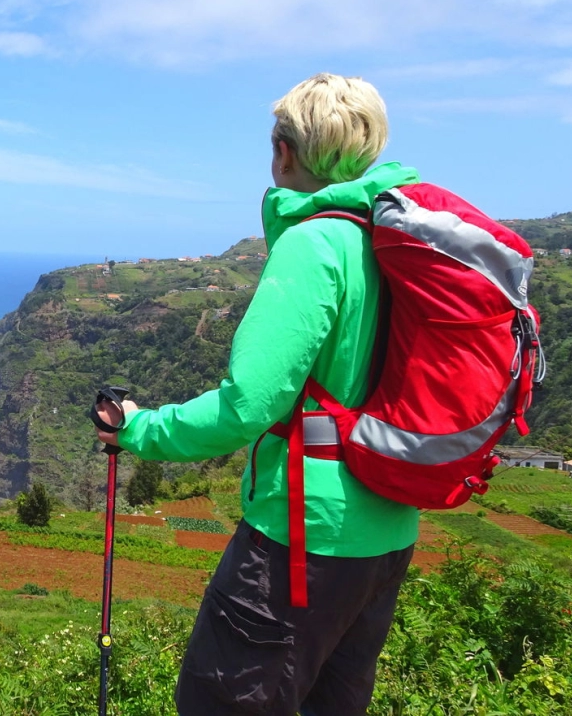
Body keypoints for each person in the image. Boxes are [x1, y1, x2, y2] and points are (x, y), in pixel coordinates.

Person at [95, 73, 419, 716]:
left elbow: (249, 405)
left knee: (221, 702)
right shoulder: (393, 240)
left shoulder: (316, 243)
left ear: (284, 150)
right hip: (387, 528)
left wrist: (139, 429)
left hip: (302, 538)